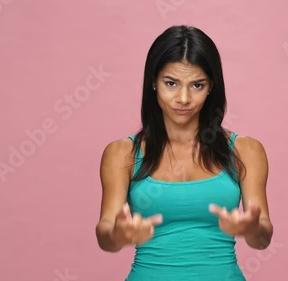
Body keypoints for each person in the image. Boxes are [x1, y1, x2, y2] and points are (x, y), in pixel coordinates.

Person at [95, 25, 273, 281]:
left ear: (211, 86)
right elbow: (105, 234)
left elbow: (262, 238)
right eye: (171, 83)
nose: (183, 98)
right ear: (153, 83)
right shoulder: (121, 153)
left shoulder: (246, 150)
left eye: (197, 85)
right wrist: (117, 235)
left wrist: (253, 228)